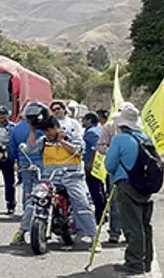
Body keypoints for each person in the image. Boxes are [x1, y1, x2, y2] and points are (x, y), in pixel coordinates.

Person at [25, 116, 97, 246]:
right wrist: (32, 131)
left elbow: (79, 151)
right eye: (44, 131)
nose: (47, 134)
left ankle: (93, 237)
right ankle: (22, 232)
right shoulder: (44, 141)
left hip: (72, 176)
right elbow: (30, 149)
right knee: (33, 201)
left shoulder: (73, 137)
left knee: (81, 202)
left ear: (57, 127)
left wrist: (62, 141)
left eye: (49, 130)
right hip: (50, 178)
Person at [105, 103, 155, 275]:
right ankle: (146, 261)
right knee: (144, 224)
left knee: (131, 225)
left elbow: (109, 164)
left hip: (127, 184)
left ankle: (134, 263)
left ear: (121, 123)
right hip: (146, 185)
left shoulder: (120, 139)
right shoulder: (145, 137)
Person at [10, 103, 47, 245]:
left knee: (27, 190)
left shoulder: (16, 128)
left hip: (24, 163)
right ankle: (36, 216)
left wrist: (15, 161)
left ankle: (27, 212)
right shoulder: (41, 128)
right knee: (40, 191)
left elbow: (12, 148)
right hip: (41, 163)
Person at [95, 108, 122, 244]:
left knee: (132, 201)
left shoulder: (136, 129)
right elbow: (100, 146)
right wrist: (114, 151)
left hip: (133, 170)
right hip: (115, 169)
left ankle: (131, 232)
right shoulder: (109, 127)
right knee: (115, 200)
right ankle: (115, 232)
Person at [82, 112, 106, 225]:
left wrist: (90, 163)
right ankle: (103, 212)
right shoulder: (99, 130)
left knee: (95, 190)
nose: (82, 121)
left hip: (92, 164)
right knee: (100, 188)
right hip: (100, 164)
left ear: (90, 120)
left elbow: (94, 148)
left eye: (84, 119)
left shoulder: (91, 132)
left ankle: (100, 214)